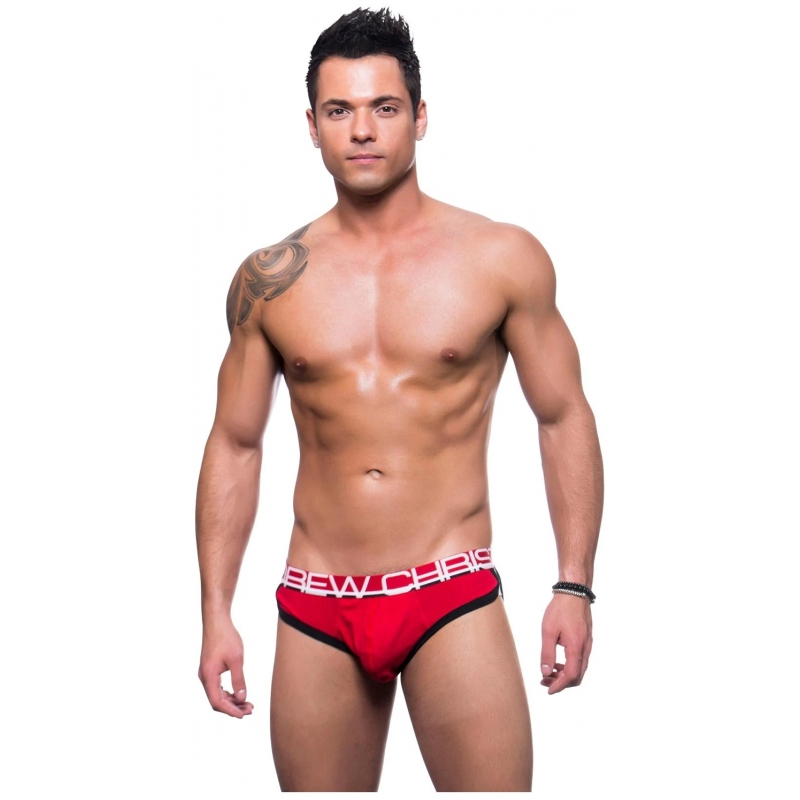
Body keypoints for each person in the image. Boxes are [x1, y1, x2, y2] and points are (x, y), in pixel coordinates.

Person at [195, 8, 603, 792]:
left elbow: (563, 415)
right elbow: (235, 443)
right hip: (316, 600)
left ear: (419, 116)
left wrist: (574, 584)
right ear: (311, 126)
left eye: (383, 107)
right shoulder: (269, 279)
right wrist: (216, 611)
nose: (362, 130)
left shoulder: (500, 258)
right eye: (338, 110)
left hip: (448, 590)